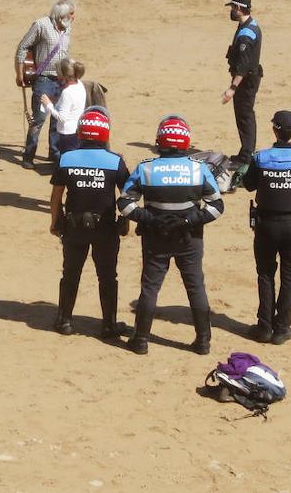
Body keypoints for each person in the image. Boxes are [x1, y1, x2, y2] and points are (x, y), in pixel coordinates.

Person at [117, 116, 224, 355]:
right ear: (186, 142)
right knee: (196, 287)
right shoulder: (199, 169)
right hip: (190, 238)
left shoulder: (145, 168)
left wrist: (149, 219)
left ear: (159, 142)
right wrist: (189, 221)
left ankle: (141, 340)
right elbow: (216, 207)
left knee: (150, 288)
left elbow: (124, 204)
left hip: (156, 237)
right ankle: (203, 342)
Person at [50, 107, 131, 339]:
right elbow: (128, 195)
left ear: (80, 133)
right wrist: (125, 221)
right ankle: (108, 325)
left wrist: (55, 222)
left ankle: (64, 320)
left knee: (70, 273)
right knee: (107, 276)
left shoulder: (67, 159)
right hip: (105, 229)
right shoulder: (115, 161)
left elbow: (56, 195)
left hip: (73, 227)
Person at [241, 110, 291, 345]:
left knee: (265, 275)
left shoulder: (260, 158)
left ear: (274, 130)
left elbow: (248, 184)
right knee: (290, 277)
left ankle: (264, 327)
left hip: (266, 226)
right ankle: (282, 328)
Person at [15, 0, 75, 169]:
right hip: (44, 80)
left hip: (62, 81)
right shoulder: (41, 25)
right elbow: (23, 47)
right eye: (71, 14)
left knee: (57, 119)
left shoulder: (67, 28)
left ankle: (54, 153)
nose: (73, 18)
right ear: (61, 14)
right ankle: (29, 155)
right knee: (39, 119)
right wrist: (19, 73)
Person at [222, 0, 263, 162]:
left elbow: (243, 66)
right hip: (249, 77)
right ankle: (245, 152)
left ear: (239, 8)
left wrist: (232, 88)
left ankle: (246, 156)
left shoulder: (246, 34)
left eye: (232, 8)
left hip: (246, 80)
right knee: (245, 116)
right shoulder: (250, 24)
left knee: (245, 117)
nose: (231, 11)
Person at [40, 58, 87, 156]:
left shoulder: (67, 92)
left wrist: (48, 104)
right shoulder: (80, 84)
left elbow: (62, 118)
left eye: (58, 72)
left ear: (63, 75)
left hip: (67, 133)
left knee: (67, 160)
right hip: (78, 129)